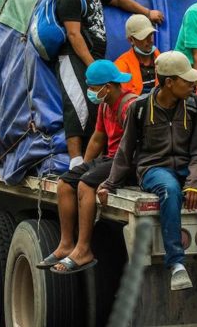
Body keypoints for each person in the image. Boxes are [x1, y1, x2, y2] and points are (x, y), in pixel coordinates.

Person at [97, 52, 197, 292]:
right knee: (169, 190)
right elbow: (125, 151)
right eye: (187, 80)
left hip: (189, 166)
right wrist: (109, 183)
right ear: (169, 82)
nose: (193, 84)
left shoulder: (195, 104)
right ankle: (177, 264)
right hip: (153, 168)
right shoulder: (139, 108)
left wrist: (193, 182)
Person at [56, 0, 164, 168]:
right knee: (77, 104)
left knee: (97, 106)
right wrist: (93, 67)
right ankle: (75, 160)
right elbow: (74, 35)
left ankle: (94, 157)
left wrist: (147, 12)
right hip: (73, 58)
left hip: (93, 58)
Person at [40, 60, 138, 275]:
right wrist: (84, 166)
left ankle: (84, 249)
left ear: (108, 87)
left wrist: (94, 176)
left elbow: (133, 149)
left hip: (127, 162)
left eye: (94, 88)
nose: (91, 93)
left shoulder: (129, 106)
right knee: (66, 183)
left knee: (86, 185)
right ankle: (66, 244)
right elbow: (97, 138)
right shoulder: (105, 105)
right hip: (109, 159)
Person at [113, 14, 160, 96]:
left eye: (151, 34)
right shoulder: (120, 67)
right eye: (144, 36)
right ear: (131, 40)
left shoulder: (163, 61)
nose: (150, 40)